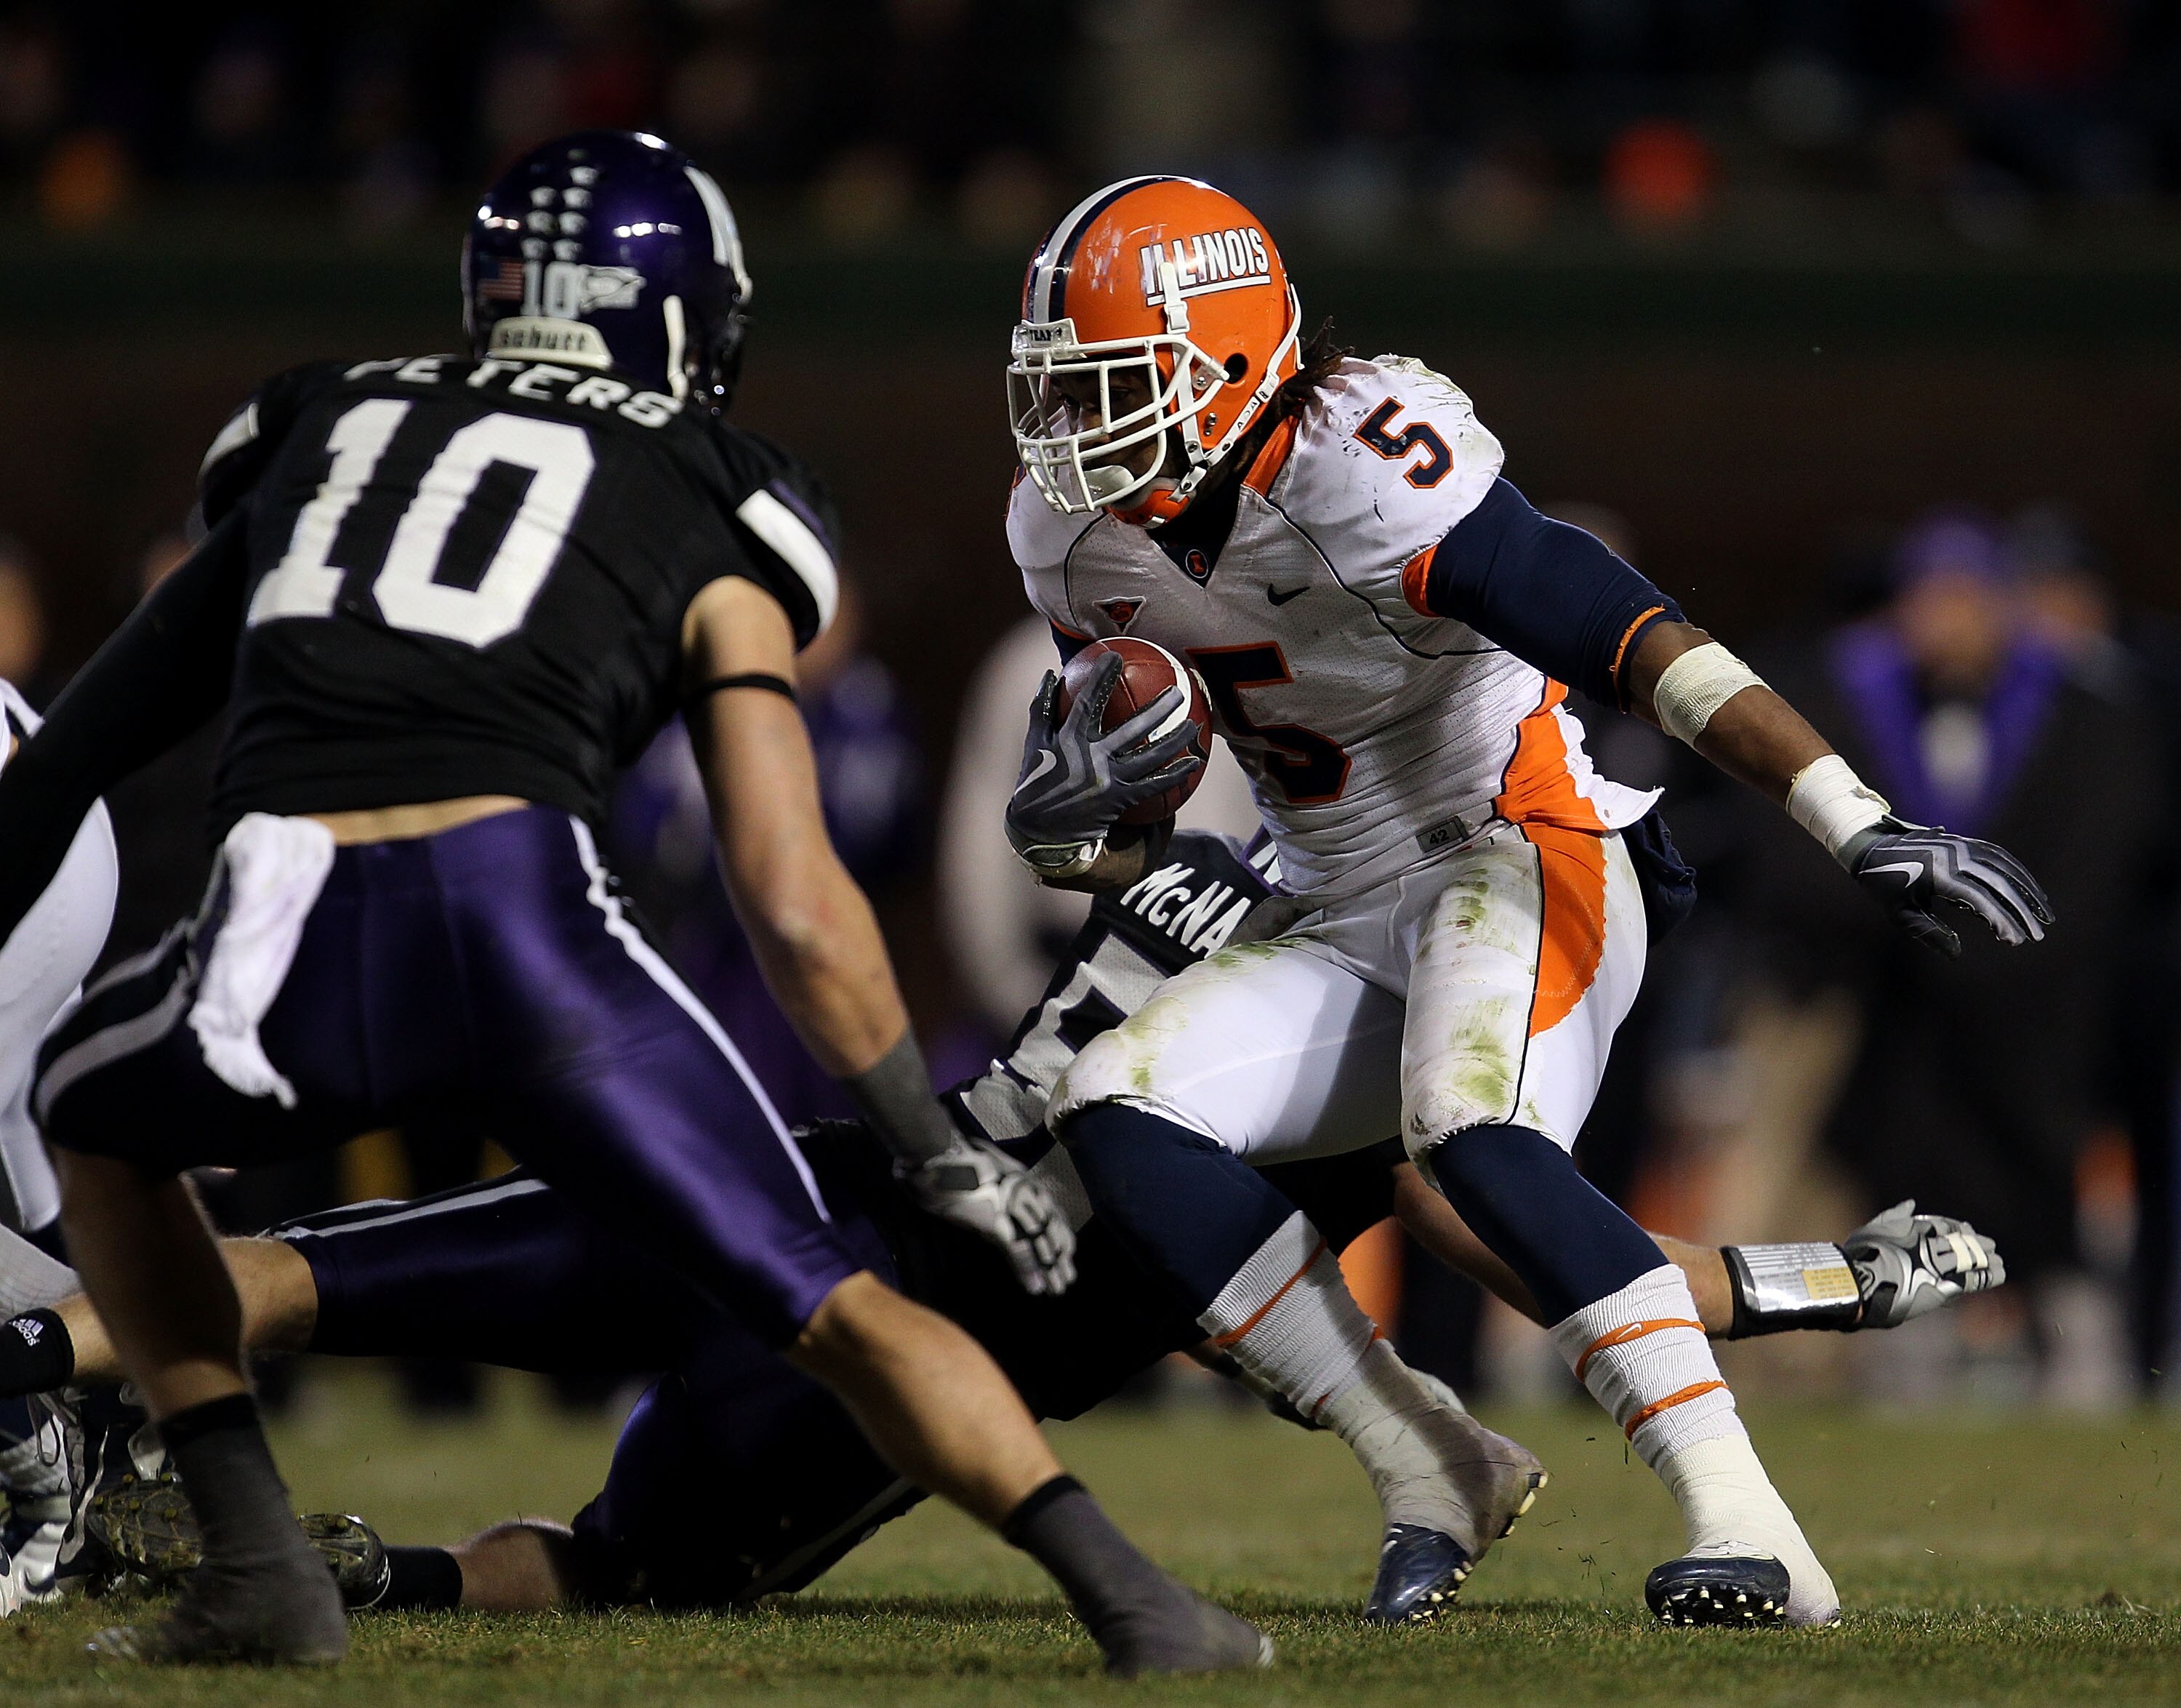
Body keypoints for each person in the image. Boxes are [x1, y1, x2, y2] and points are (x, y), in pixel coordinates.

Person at [0, 133, 1267, 1676]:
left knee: (92, 1108)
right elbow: (793, 896)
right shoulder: (714, 486)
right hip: (532, 924)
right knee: (832, 1299)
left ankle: (254, 1550)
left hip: (293, 921)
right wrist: (929, 1146)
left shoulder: (316, 420)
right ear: (680, 315)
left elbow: (71, 754)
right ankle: (1139, 1602)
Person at [0, 832, 2004, 1622]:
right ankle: (253, 1516)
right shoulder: (1337, 1012)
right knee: (610, 1563)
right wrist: (1841, 1282)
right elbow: (1560, 1252)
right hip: (901, 1334)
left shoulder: (1235, 872)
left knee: (331, 1285)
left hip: (814, 1192)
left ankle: (57, 1382)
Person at [999, 175, 2052, 1628]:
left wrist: (1854, 819)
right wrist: (1080, 837)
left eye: (1111, 387)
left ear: (1233, 359)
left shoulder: (1367, 459)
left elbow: (1633, 635)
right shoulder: (1073, 538)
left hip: (1519, 840)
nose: (1075, 433)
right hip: (1331, 898)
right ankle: (1431, 1454)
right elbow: (1139, 805)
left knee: (1468, 1131)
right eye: (1056, 393)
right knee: (1116, 1102)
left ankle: (1754, 1528)